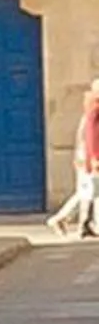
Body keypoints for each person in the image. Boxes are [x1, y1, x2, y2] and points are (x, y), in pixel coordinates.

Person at [58, 79, 99, 238]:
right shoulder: (94, 109)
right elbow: (91, 136)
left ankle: (82, 223)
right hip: (89, 158)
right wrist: (94, 157)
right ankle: (63, 219)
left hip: (87, 157)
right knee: (91, 192)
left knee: (88, 192)